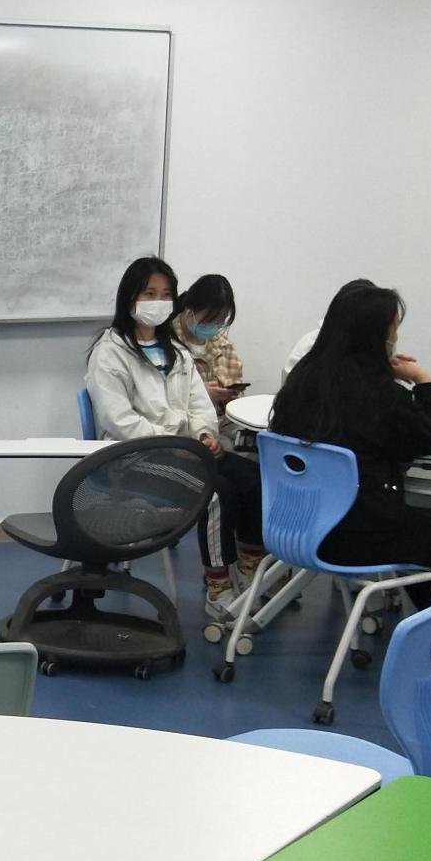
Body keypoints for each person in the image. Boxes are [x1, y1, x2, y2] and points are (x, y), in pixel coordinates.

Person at [271, 280, 431, 663]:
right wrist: (424, 382)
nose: (395, 338)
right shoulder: (379, 395)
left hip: (293, 524)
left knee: (418, 536)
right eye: (393, 330)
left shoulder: (302, 379)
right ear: (375, 336)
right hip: (357, 537)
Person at [86, 257, 265, 620]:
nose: (159, 301)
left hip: (185, 450)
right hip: (132, 459)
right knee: (214, 493)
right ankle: (218, 587)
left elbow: (199, 404)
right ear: (129, 298)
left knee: (253, 477)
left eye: (166, 294)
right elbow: (119, 421)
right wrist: (177, 444)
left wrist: (204, 434)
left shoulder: (176, 351)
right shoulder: (109, 352)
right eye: (149, 293)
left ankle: (251, 571)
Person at [173, 273, 248, 416]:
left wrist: (231, 398)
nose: (214, 326)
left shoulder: (224, 347)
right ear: (189, 310)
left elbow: (235, 395)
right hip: (183, 422)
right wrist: (197, 395)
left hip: (223, 422)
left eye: (220, 321)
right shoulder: (166, 342)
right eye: (210, 319)